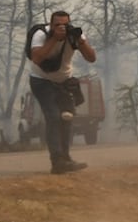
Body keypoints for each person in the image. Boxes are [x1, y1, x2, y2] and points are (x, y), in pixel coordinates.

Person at [28, 10, 97, 174]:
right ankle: (56, 161)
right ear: (51, 25)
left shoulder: (74, 35)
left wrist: (80, 40)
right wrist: (54, 39)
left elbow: (91, 57)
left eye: (64, 25)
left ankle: (66, 158)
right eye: (57, 25)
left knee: (67, 117)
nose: (61, 28)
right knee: (53, 116)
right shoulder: (41, 34)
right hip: (41, 80)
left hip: (65, 81)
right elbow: (36, 58)